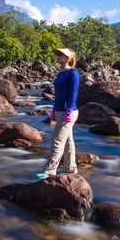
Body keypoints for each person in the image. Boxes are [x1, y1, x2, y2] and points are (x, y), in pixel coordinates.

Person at [37, 48, 80, 179]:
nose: (58, 56)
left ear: (68, 58)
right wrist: (54, 111)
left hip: (69, 112)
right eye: (58, 54)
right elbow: (58, 95)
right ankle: (70, 168)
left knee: (57, 140)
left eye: (61, 55)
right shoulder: (61, 74)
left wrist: (67, 112)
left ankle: (50, 170)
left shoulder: (73, 74)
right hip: (60, 110)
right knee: (67, 141)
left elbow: (73, 95)